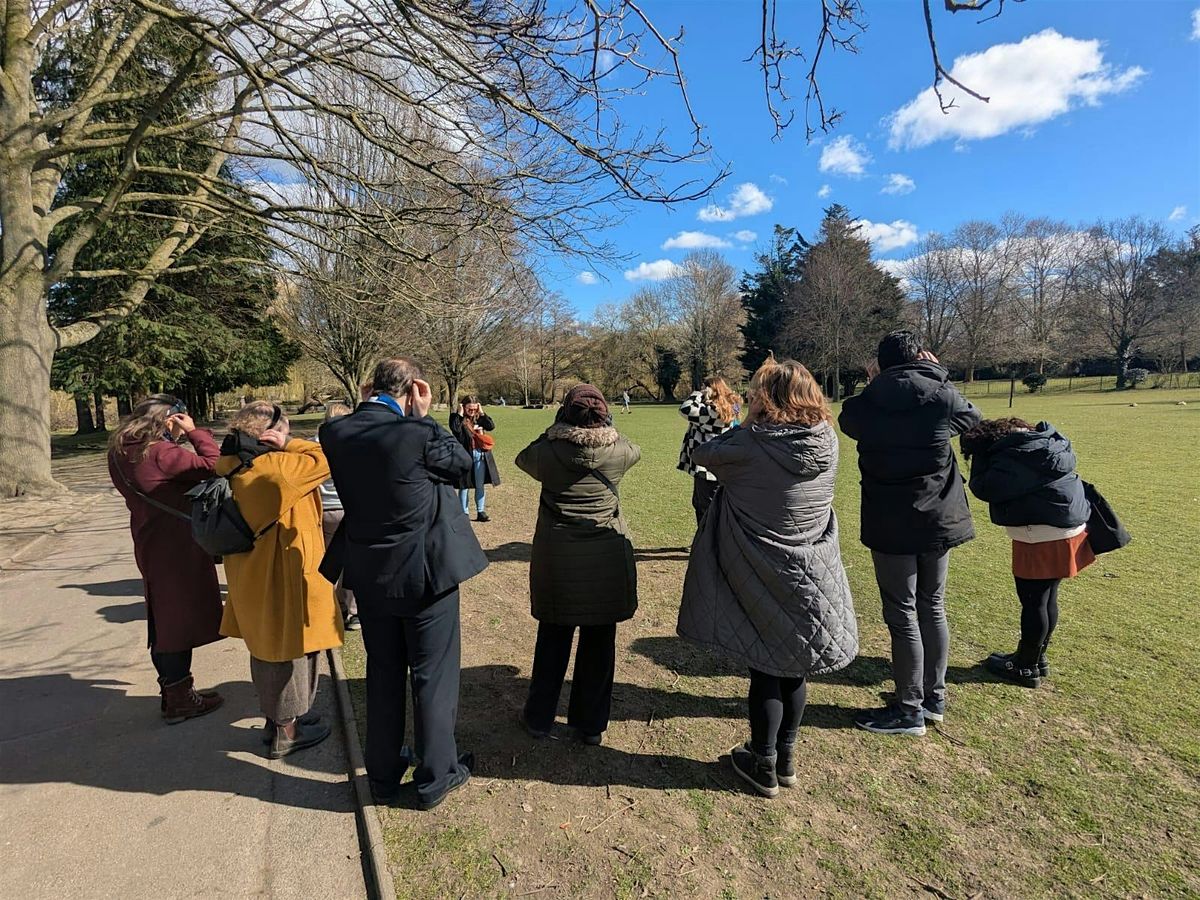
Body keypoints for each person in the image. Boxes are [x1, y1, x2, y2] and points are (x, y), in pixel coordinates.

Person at [677, 358, 856, 798]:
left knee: (766, 667)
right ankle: (786, 757)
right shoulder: (827, 440)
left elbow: (704, 455)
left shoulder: (751, 442)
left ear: (766, 399)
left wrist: (747, 423)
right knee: (795, 667)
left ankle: (764, 761)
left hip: (762, 567)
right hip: (812, 565)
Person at [320, 358, 488, 810]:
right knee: (433, 675)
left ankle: (382, 774)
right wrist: (425, 416)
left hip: (369, 574)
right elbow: (462, 466)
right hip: (424, 573)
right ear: (413, 389)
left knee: (383, 673)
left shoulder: (333, 432)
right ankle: (436, 776)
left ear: (369, 387)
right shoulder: (418, 432)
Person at [839, 330, 981, 736]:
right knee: (932, 605)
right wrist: (938, 374)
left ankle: (909, 709)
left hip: (890, 521)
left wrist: (876, 383)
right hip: (938, 517)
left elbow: (849, 421)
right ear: (920, 356)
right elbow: (972, 419)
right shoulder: (942, 396)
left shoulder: (866, 404)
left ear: (879, 364)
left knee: (902, 612)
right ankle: (932, 699)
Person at [515, 384, 641, 746]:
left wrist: (554, 430)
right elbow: (634, 448)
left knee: (553, 640)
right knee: (599, 643)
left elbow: (524, 457)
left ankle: (539, 717)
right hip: (605, 559)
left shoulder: (547, 453)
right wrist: (608, 428)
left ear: (564, 415)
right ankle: (590, 725)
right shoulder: (619, 452)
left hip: (558, 559)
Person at [217, 401, 342, 759]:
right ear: (272, 434)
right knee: (289, 651)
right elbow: (329, 456)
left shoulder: (233, 462)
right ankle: (287, 730)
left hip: (250, 571)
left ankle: (279, 721)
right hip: (283, 573)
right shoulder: (279, 468)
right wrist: (289, 444)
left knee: (266, 648)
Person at [108, 395, 225, 723]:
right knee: (176, 622)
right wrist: (195, 432)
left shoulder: (119, 451)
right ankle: (180, 699)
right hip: (177, 543)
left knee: (163, 617)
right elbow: (215, 464)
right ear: (169, 419)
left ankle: (173, 693)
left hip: (148, 537)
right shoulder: (160, 451)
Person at [961, 418, 1093, 688]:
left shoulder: (1012, 457)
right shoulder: (1046, 441)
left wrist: (982, 455)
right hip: (1068, 526)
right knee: (1046, 598)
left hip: (1041, 534)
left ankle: (1025, 667)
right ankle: (1035, 657)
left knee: (1034, 602)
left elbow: (983, 487)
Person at [678, 375, 743, 524]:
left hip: (706, 467)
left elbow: (685, 409)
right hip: (721, 462)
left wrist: (697, 394)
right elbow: (737, 409)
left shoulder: (711, 412)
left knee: (705, 507)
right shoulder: (730, 407)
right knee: (709, 504)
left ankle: (707, 536)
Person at [318, 402, 359, 631]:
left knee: (327, 562)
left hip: (322, 509)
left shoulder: (314, 445)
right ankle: (353, 611)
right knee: (350, 561)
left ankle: (333, 607)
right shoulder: (355, 444)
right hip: (346, 507)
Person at [449, 395, 500, 522]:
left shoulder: (479, 418)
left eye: (474, 409)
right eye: (469, 409)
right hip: (465, 455)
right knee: (464, 485)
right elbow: (456, 430)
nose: (472, 411)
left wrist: (481, 412)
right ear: (463, 407)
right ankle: (464, 512)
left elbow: (491, 426)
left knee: (479, 484)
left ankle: (480, 511)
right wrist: (460, 414)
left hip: (480, 455)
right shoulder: (456, 418)